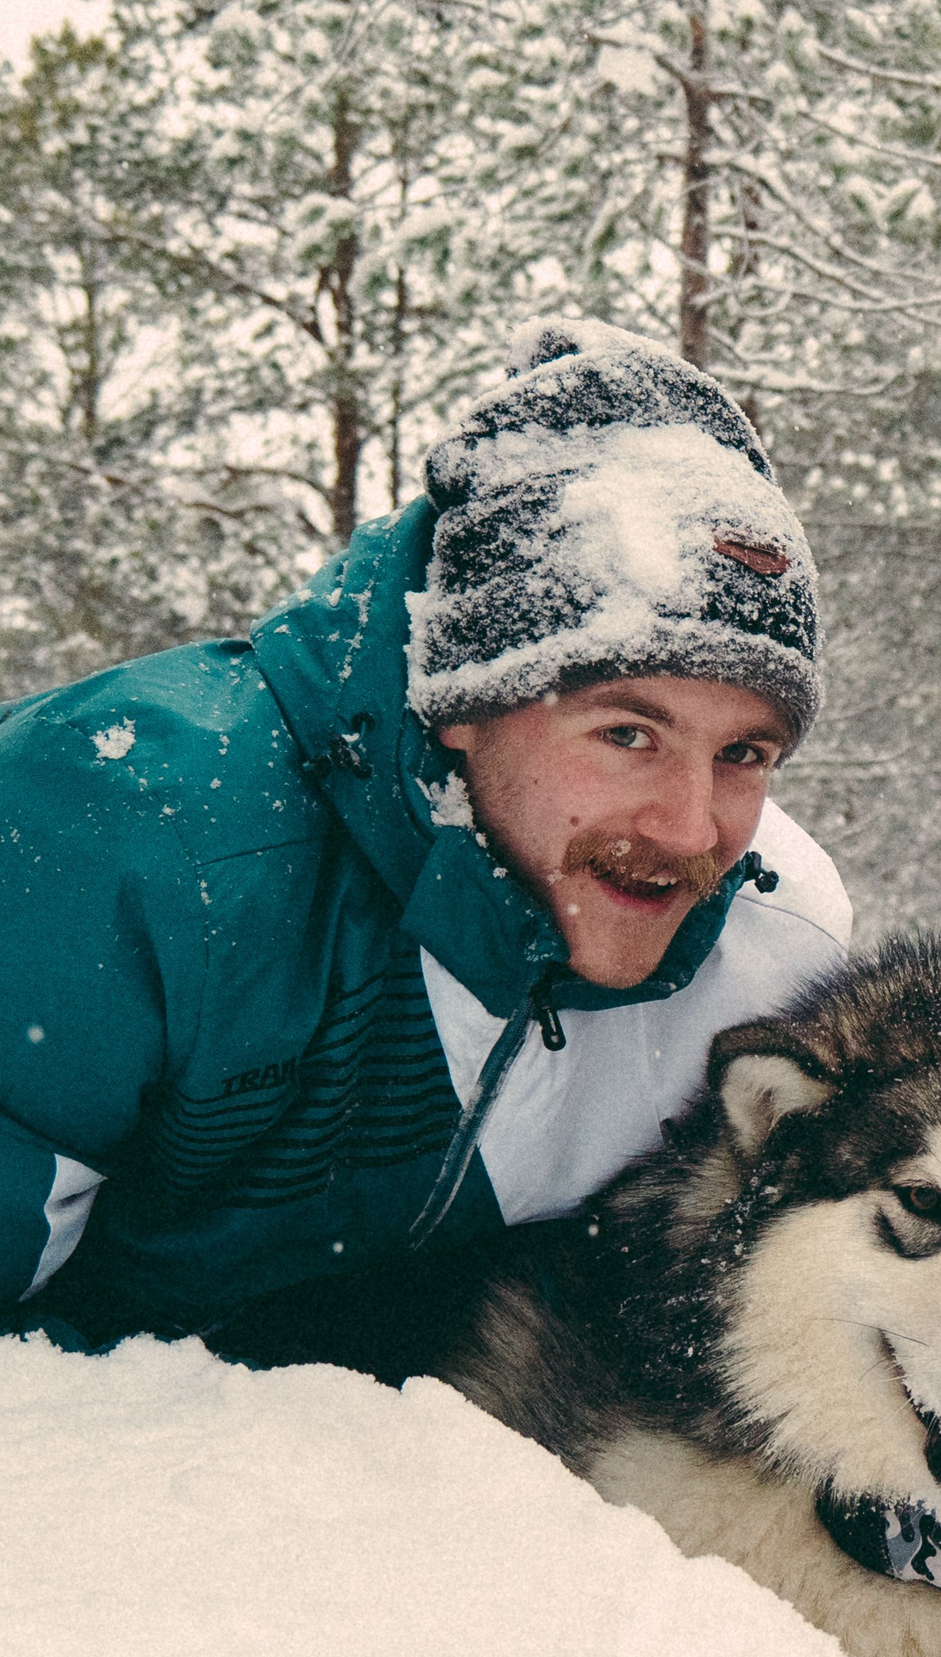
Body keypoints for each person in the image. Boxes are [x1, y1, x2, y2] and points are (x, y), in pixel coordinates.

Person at [2, 319, 852, 1379]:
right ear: (460, 702)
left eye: (743, 752)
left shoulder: (775, 952)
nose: (691, 827)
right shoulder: (122, 834)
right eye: (626, 733)